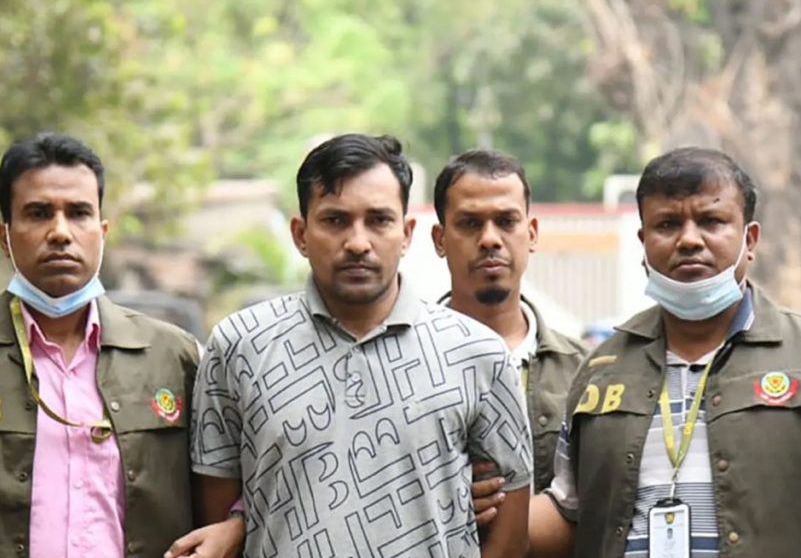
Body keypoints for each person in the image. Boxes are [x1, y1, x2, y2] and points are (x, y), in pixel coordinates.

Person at [526, 147, 801, 557]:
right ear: (643, 242)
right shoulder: (601, 371)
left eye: (711, 221)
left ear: (750, 239)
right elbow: (569, 513)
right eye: (667, 224)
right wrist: (487, 505)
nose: (689, 240)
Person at [167, 134, 533, 558]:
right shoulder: (239, 347)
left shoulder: (479, 355)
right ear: (301, 234)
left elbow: (510, 539)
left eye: (379, 220)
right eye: (335, 220)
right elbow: (217, 528)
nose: (358, 243)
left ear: (406, 233)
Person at [0, 133, 201, 557]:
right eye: (38, 213)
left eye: (79, 213)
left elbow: (221, 501)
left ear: (102, 232)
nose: (59, 232)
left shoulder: (176, 357)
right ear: (4, 236)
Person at [430, 149, 587, 501]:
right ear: (440, 239)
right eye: (470, 223)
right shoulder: (403, 367)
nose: (489, 239)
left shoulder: (584, 371)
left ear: (531, 233)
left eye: (506, 221)